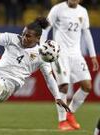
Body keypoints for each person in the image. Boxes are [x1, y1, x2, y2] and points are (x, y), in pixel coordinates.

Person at [0, 17, 71, 133]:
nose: (24, 38)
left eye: (28, 36)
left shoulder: (41, 56)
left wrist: (57, 97)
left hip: (8, 85)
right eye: (24, 34)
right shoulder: (13, 38)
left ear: (38, 38)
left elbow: (49, 78)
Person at [40, 0, 99, 131]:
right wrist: (41, 48)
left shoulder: (83, 11)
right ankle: (62, 122)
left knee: (87, 86)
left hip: (77, 55)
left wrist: (93, 55)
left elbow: (87, 33)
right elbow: (46, 28)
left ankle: (69, 112)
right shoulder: (57, 9)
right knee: (64, 86)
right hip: (61, 54)